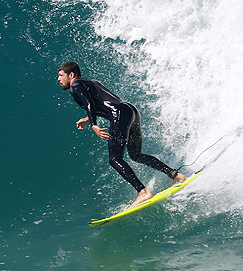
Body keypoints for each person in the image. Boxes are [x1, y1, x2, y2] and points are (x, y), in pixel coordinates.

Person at [57, 61, 185, 207]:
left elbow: (89, 104)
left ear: (71, 75)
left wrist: (94, 124)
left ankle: (143, 192)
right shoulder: (90, 82)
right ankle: (176, 175)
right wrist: (87, 118)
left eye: (61, 75)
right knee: (136, 155)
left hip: (119, 114)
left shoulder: (75, 86)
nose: (58, 79)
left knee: (114, 159)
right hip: (130, 111)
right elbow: (103, 101)